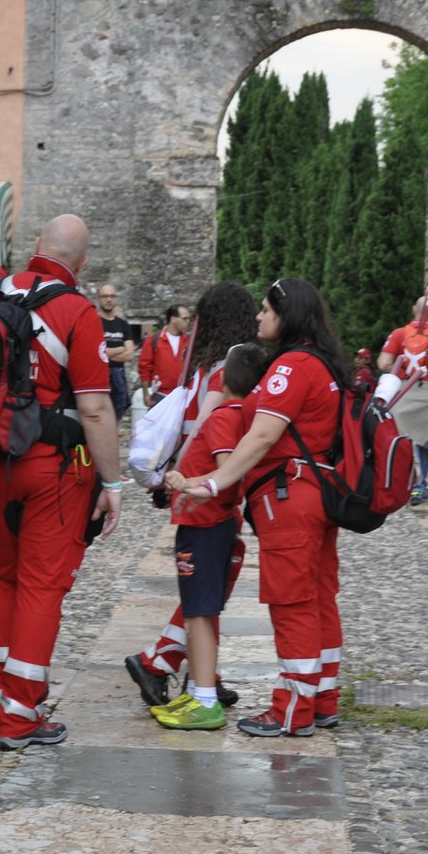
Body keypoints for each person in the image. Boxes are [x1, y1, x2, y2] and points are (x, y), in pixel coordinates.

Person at [0, 215, 124, 750]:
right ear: (80, 265)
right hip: (56, 469)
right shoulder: (77, 311)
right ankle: (21, 715)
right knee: (43, 586)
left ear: (35, 247)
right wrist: (114, 482)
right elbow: (95, 407)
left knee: (6, 579)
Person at [176, 277, 349, 738]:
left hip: (288, 497)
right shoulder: (327, 365)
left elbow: (263, 436)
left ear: (286, 316)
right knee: (318, 596)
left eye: (266, 310)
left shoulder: (291, 367)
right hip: (319, 494)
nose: (258, 317)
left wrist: (214, 482)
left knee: (291, 601)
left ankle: (291, 709)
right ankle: (321, 697)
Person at [123, 281, 259, 709]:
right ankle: (171, 666)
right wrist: (185, 476)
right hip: (208, 489)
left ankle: (189, 668)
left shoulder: (202, 365)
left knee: (209, 585)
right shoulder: (226, 370)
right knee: (209, 587)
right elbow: (208, 425)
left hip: (195, 486)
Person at [151, 342, 269, 730]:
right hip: (217, 525)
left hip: (203, 526)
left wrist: (184, 481)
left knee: (199, 615)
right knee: (202, 613)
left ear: (223, 379)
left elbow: (226, 471)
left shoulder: (222, 416)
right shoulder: (248, 418)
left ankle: (204, 701)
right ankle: (199, 691)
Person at [377, 295, 428, 505]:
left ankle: (399, 483)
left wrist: (403, 368)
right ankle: (419, 486)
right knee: (425, 440)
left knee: (401, 437)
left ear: (414, 310)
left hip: (403, 390)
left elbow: (383, 363)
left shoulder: (399, 334)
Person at [95, 284, 137, 419]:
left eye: (112, 296)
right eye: (105, 296)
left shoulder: (122, 324)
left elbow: (130, 355)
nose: (109, 300)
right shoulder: (93, 322)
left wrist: (105, 354)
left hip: (118, 378)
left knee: (116, 417)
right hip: (99, 377)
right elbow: (94, 353)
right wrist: (120, 349)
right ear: (99, 299)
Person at [138, 303, 191, 407]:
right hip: (160, 395)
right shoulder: (153, 340)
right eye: (185, 319)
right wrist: (146, 393)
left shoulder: (189, 342)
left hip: (183, 395)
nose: (188, 322)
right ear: (173, 319)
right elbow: (144, 367)